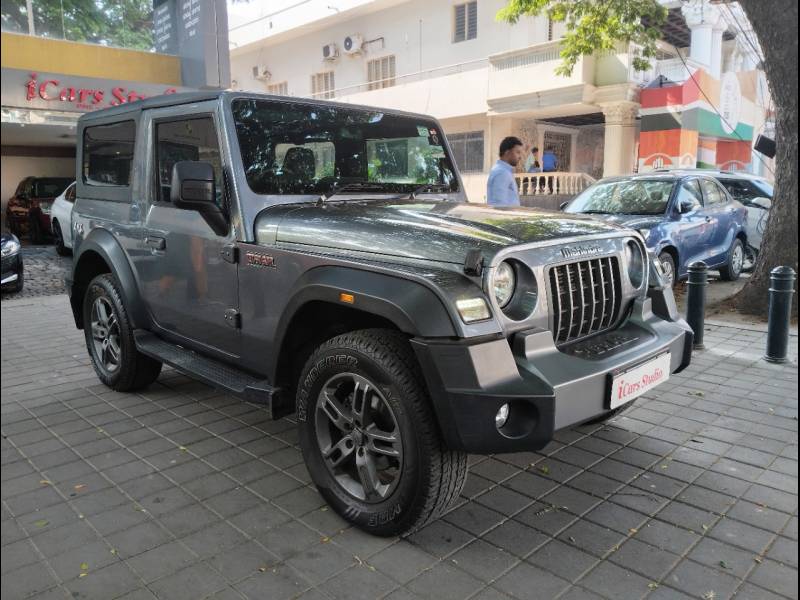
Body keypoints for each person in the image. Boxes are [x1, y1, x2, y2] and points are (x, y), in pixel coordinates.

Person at [487, 136, 524, 207]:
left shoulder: (504, 170)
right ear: (507, 152)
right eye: (517, 152)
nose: (520, 157)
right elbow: (499, 205)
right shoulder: (502, 172)